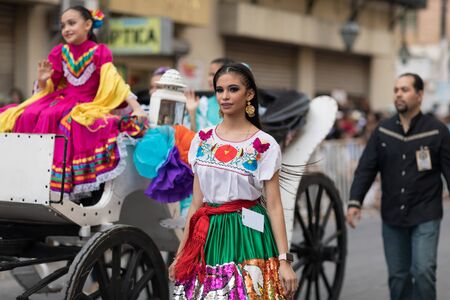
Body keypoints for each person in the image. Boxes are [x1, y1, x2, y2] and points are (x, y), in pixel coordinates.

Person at [169, 63, 297, 299]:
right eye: (220, 90)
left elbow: (275, 205)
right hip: (208, 236)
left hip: (249, 235)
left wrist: (284, 260)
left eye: (233, 89)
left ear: (249, 94)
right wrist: (181, 253)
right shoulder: (202, 140)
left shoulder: (265, 144)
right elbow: (196, 204)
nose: (225, 96)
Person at [0, 6, 146, 197]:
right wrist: (43, 79)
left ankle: (56, 182)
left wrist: (136, 108)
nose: (66, 29)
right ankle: (24, 176)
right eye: (62, 25)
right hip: (61, 99)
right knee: (25, 114)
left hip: (86, 103)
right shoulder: (60, 52)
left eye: (71, 23)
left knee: (69, 121)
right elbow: (49, 88)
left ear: (87, 25)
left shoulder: (99, 52)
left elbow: (114, 82)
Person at [347, 73, 450, 300]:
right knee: (398, 277)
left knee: (423, 272)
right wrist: (355, 201)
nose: (399, 94)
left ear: (420, 95)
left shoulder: (436, 131)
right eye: (396, 90)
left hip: (426, 214)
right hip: (393, 216)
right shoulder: (383, 130)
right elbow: (366, 168)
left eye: (405, 89)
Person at [184, 57, 235, 132]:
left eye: (214, 74)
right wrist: (192, 113)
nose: (210, 79)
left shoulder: (239, 104)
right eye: (210, 75)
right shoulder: (203, 105)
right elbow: (194, 138)